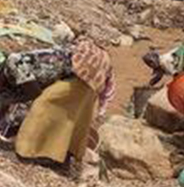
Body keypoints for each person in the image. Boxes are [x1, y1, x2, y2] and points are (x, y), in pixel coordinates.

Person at [15, 37, 115, 166]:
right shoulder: (107, 60)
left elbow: (66, 63)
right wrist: (101, 108)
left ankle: (26, 152)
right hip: (89, 96)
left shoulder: (85, 46)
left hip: (74, 84)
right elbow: (109, 89)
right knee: (72, 124)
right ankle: (61, 158)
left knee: (43, 106)